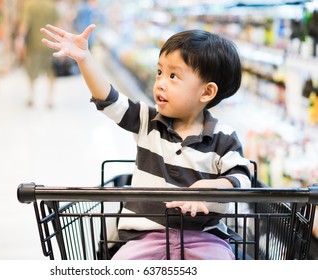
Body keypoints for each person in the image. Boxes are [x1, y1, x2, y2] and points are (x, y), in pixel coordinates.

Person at [40, 24, 252, 260]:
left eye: (173, 76)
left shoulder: (224, 136)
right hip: (144, 237)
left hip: (205, 239)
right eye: (159, 72)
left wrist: (204, 190)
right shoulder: (147, 120)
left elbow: (242, 178)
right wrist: (84, 59)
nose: (160, 82)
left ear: (206, 92)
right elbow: (109, 100)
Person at [16, 0, 60, 108]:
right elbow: (59, 25)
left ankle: (31, 97)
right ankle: (50, 99)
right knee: (52, 73)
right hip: (51, 45)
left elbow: (25, 24)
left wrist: (20, 39)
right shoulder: (52, 6)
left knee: (32, 72)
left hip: (34, 46)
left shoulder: (30, 6)